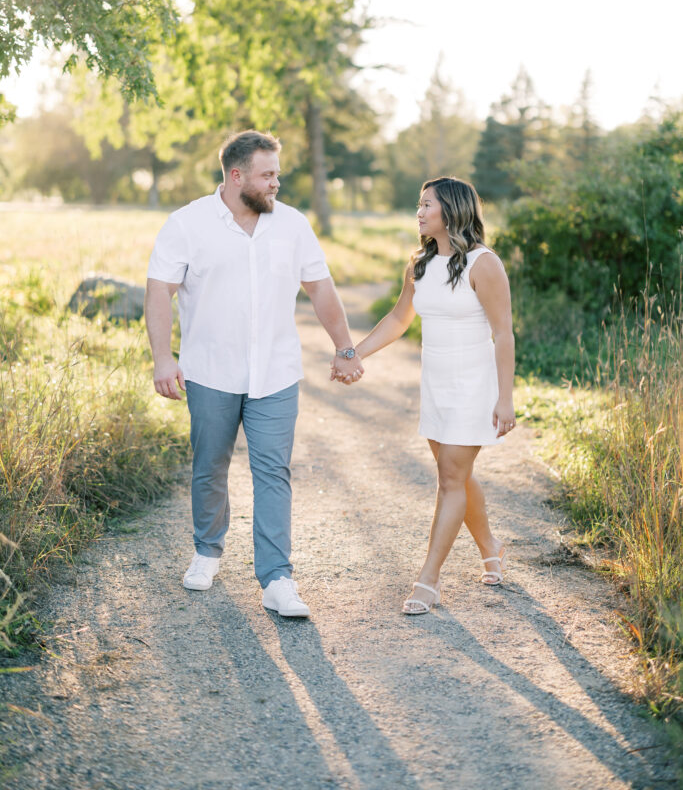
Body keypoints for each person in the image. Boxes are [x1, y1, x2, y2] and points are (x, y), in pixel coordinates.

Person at [145, 130, 362, 618]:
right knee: (210, 466)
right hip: (209, 372)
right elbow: (159, 290)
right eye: (267, 175)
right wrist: (164, 358)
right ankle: (207, 551)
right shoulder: (187, 224)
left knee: (272, 472)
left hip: (276, 374)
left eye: (277, 174)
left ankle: (277, 579)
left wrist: (345, 348)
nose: (276, 183)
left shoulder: (292, 225)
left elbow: (321, 289)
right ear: (236, 175)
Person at [333, 177, 515, 614]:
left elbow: (503, 333)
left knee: (450, 478)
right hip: (436, 384)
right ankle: (492, 548)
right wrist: (353, 354)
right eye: (418, 204)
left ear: (451, 211)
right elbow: (399, 318)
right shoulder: (420, 263)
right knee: (457, 473)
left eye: (426, 204)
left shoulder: (484, 264)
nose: (419, 211)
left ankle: (428, 580)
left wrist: (505, 398)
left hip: (473, 385)